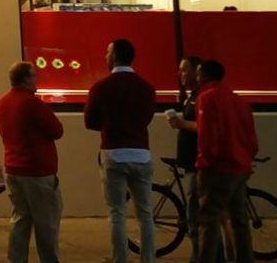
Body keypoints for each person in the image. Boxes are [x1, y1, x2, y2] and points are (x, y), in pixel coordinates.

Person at [82, 40, 156, 263]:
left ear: (114, 56)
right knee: (145, 213)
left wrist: (108, 126)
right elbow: (147, 118)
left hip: (113, 153)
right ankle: (149, 259)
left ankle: (120, 258)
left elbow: (89, 121)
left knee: (117, 213)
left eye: (107, 51)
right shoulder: (146, 88)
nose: (105, 56)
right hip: (141, 154)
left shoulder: (101, 87)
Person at [190, 60, 259, 263]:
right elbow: (251, 136)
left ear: (203, 75)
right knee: (239, 220)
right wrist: (247, 159)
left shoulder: (207, 98)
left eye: (198, 73)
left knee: (208, 221)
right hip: (240, 167)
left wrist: (203, 163)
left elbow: (208, 136)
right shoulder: (237, 100)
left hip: (218, 169)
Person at [0, 61, 64, 263]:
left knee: (20, 219)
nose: (37, 80)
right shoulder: (32, 103)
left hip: (14, 169)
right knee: (47, 224)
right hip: (37, 171)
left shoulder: (3, 102)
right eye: (34, 76)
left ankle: (16, 259)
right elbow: (57, 131)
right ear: (25, 79)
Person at [164, 56, 203, 260]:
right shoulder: (192, 96)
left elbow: (205, 126)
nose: (180, 74)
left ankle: (200, 254)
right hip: (190, 161)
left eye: (184, 70)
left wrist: (181, 124)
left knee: (195, 209)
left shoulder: (202, 96)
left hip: (197, 162)